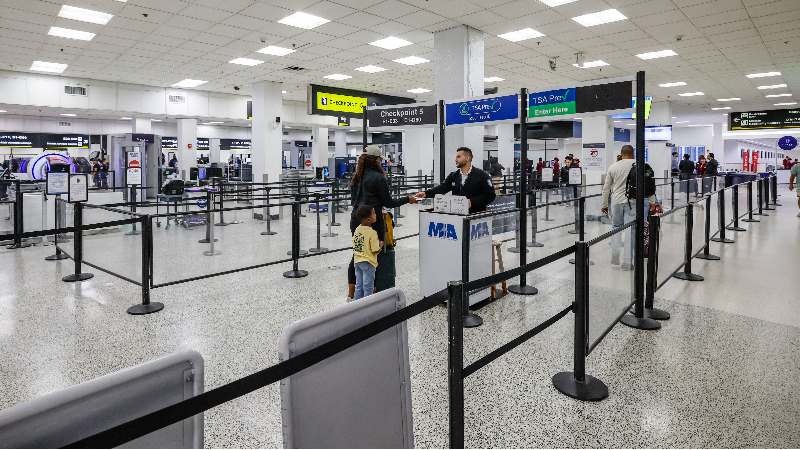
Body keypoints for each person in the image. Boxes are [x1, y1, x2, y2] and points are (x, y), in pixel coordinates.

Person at [348, 145, 417, 299]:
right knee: (373, 256)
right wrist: (408, 199)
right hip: (373, 221)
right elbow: (388, 202)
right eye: (380, 159)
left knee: (358, 255)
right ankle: (372, 295)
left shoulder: (356, 177)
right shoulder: (378, 178)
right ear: (376, 160)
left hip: (356, 219)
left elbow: (356, 200)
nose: (381, 162)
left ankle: (352, 294)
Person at [600, 145, 658, 270]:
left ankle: (615, 254)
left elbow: (606, 188)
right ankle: (627, 261)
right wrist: (652, 201)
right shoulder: (641, 165)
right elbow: (649, 185)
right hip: (633, 202)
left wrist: (604, 204)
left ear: (621, 154)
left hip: (616, 202)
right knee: (630, 231)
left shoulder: (613, 166)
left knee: (616, 226)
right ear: (632, 154)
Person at [415, 147, 496, 214]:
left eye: (459, 157)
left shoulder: (482, 175)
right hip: (457, 216)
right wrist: (426, 193)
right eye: (456, 157)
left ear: (467, 158)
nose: (456, 160)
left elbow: (490, 195)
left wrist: (472, 202)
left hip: (475, 216)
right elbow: (442, 188)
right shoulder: (454, 175)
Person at [352, 205, 383, 300]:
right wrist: (381, 245)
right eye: (374, 214)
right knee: (368, 288)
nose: (376, 215)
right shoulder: (372, 232)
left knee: (359, 286)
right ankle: (368, 306)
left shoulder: (357, 229)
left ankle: (356, 305)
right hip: (368, 263)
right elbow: (375, 250)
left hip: (357, 261)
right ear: (368, 219)